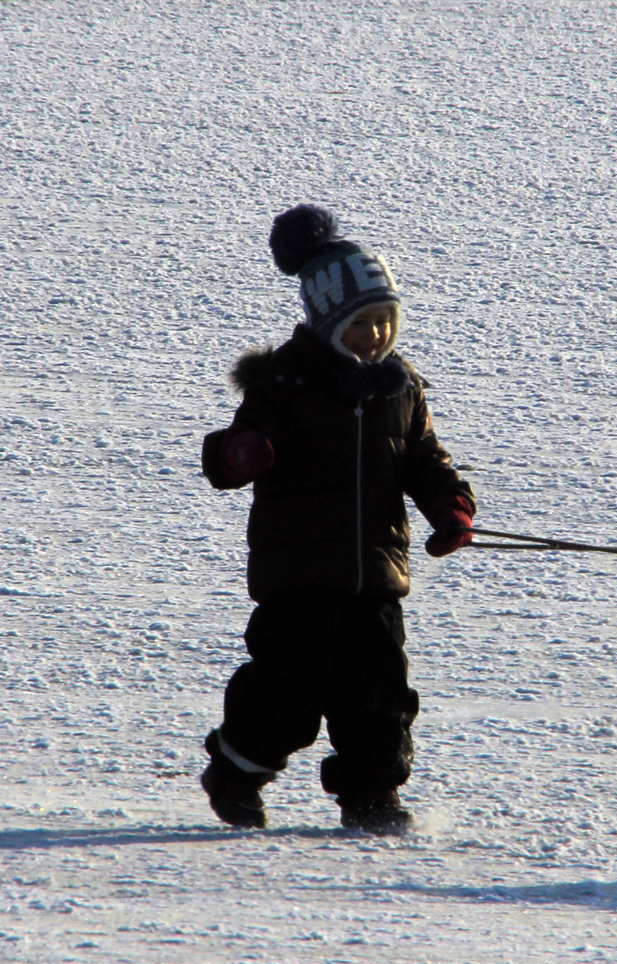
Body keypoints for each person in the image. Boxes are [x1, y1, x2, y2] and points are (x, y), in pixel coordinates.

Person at [197, 205, 475, 834]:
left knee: (378, 698)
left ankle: (372, 798)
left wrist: (452, 508)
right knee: (284, 695)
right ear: (326, 322)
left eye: (385, 322)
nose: (375, 337)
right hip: (297, 577)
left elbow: (426, 462)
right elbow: (226, 454)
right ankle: (235, 774)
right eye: (360, 325)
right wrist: (243, 454)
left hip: (374, 579)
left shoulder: (399, 390)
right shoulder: (286, 383)